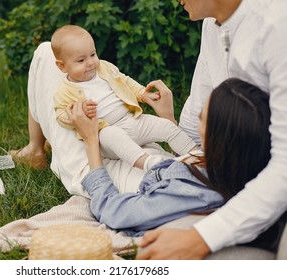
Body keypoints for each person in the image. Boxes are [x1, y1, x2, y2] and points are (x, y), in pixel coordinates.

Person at [136, 0, 287, 259]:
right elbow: (197, 123)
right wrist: (168, 126)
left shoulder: (277, 25)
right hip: (238, 183)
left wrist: (201, 238)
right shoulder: (212, 26)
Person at [64, 78, 273, 242]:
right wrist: (167, 119)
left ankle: (36, 148)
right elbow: (181, 166)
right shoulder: (232, 163)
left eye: (201, 118)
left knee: (47, 56)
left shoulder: (190, 194)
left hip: (108, 172)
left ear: (216, 139)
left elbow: (114, 211)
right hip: (154, 163)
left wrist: (91, 140)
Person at [51, 25, 197, 169]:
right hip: (105, 133)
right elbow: (61, 116)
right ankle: (150, 163)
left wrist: (141, 93)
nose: (90, 63)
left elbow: (124, 81)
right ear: (62, 66)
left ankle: (198, 156)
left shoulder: (104, 67)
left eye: (93, 54)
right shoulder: (65, 91)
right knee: (115, 136)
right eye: (81, 60)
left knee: (166, 126)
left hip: (131, 119)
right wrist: (79, 112)